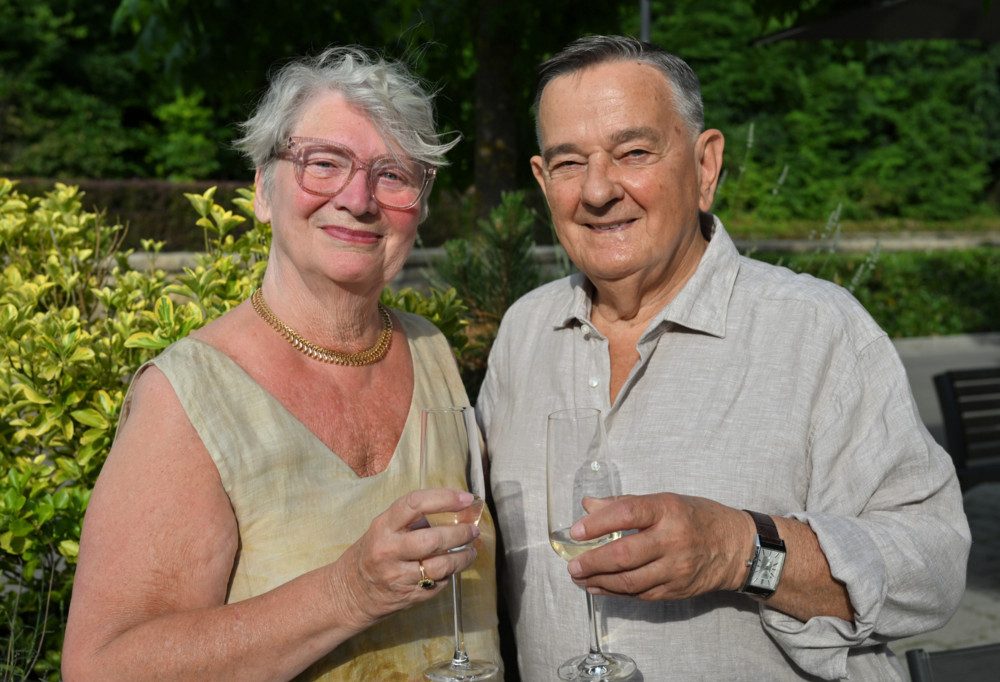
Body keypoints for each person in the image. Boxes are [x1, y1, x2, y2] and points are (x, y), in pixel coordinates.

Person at [477, 35, 970, 681]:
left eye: (633, 153)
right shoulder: (524, 332)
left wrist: (740, 549)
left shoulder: (816, 329)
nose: (597, 191)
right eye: (570, 163)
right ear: (543, 182)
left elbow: (932, 569)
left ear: (705, 166)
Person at [62, 47, 500, 681]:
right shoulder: (189, 396)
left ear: (420, 208)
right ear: (263, 191)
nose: (359, 199)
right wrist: (347, 593)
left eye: (394, 175)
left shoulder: (431, 351)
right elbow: (102, 668)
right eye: (324, 164)